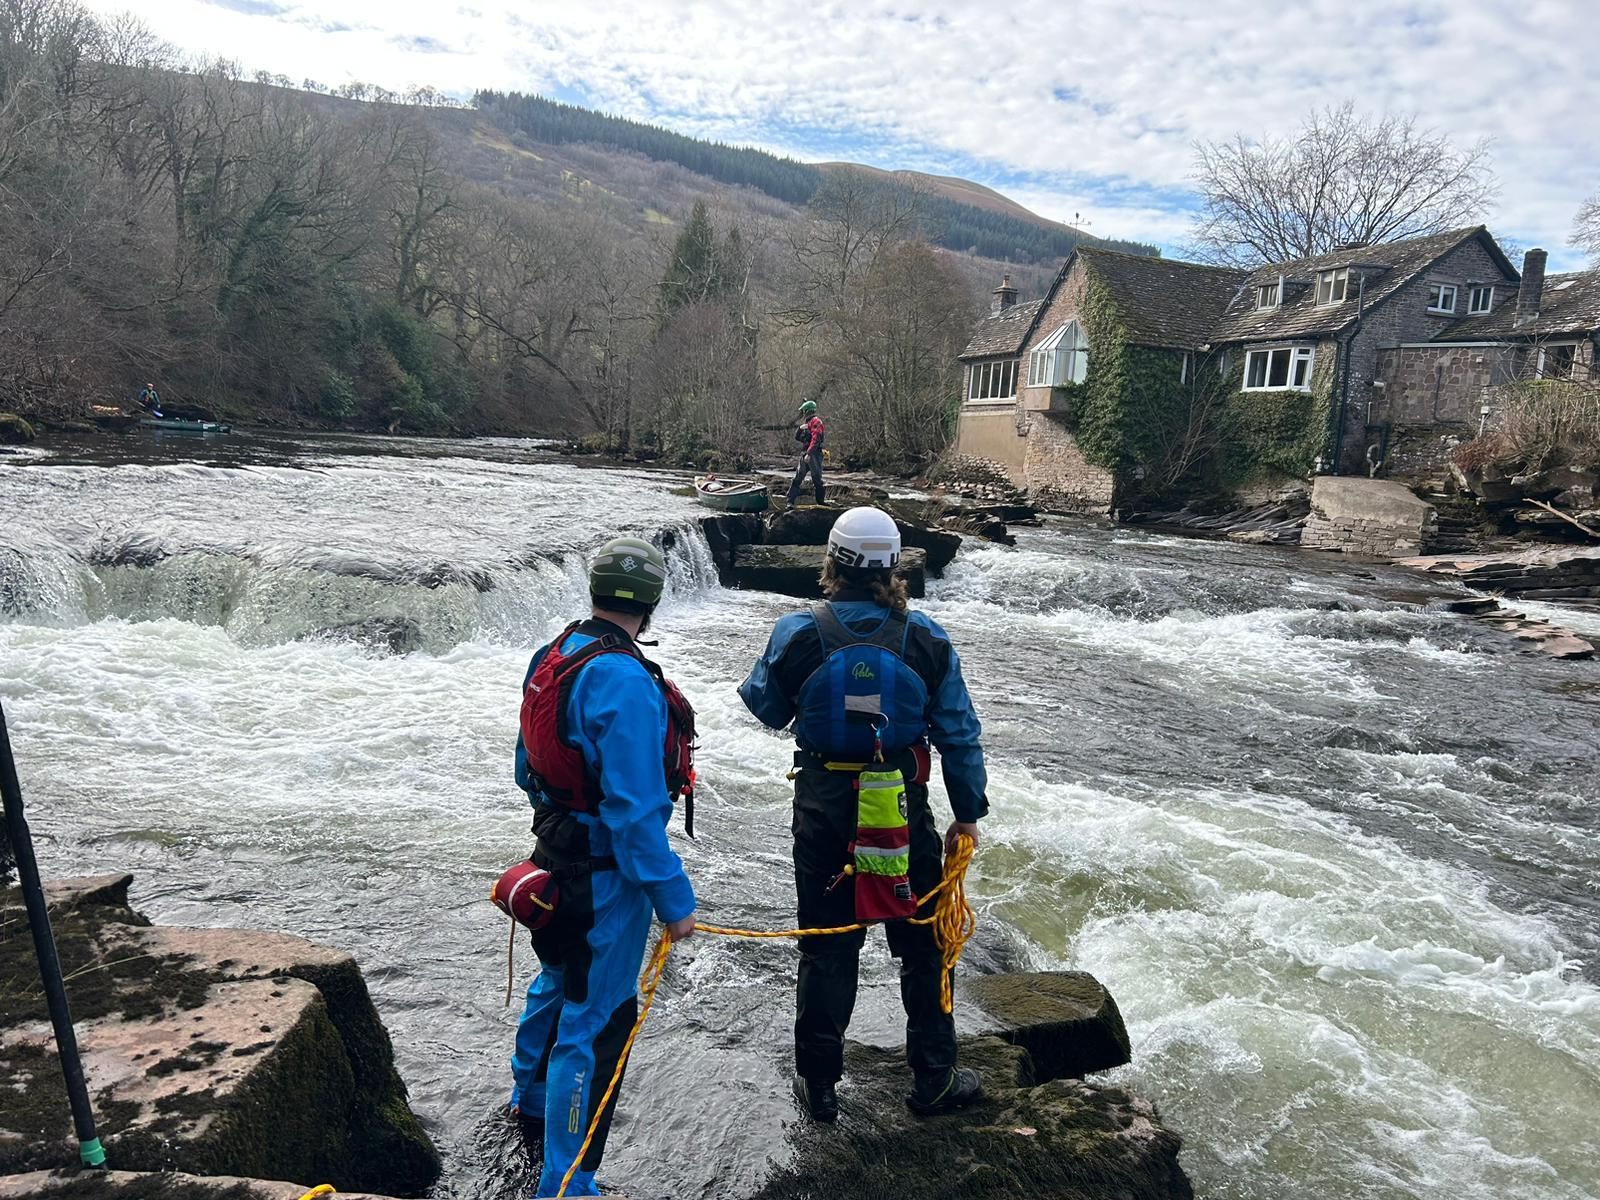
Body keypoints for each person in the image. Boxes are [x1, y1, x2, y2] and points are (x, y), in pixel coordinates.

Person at [738, 507, 988, 1123]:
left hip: (825, 806)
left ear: (832, 563)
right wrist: (968, 813)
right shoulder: (926, 637)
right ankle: (934, 1077)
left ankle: (820, 1089)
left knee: (828, 946)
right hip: (901, 808)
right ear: (893, 567)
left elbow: (765, 707)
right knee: (924, 943)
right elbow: (958, 733)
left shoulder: (796, 631)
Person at [510, 536, 698, 1198]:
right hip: (606, 880)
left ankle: (527, 1096)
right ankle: (568, 1180)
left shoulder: (553, 653)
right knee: (596, 1027)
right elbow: (635, 817)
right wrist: (675, 903)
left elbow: (524, 768)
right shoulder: (627, 680)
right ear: (651, 601)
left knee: (557, 979)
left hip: (553, 853)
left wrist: (560, 823)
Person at [786, 398, 825, 507]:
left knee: (817, 478)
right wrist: (799, 429)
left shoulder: (817, 422)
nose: (802, 414)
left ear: (807, 411)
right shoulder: (807, 424)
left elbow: (816, 439)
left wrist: (809, 453)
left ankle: (820, 502)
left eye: (803, 411)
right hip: (805, 454)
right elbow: (798, 438)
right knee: (798, 477)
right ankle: (790, 501)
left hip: (814, 454)